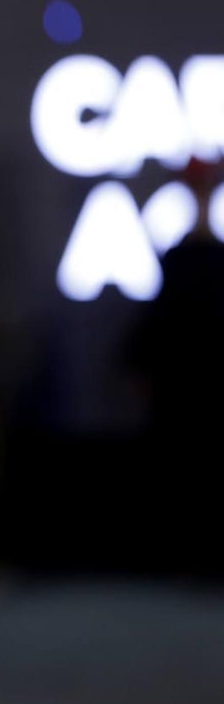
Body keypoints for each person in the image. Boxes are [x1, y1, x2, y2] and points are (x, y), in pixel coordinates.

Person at [123, 157, 224, 574]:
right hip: (178, 387)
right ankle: (179, 554)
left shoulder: (212, 260)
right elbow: (158, 321)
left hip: (211, 385)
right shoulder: (178, 259)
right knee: (178, 475)